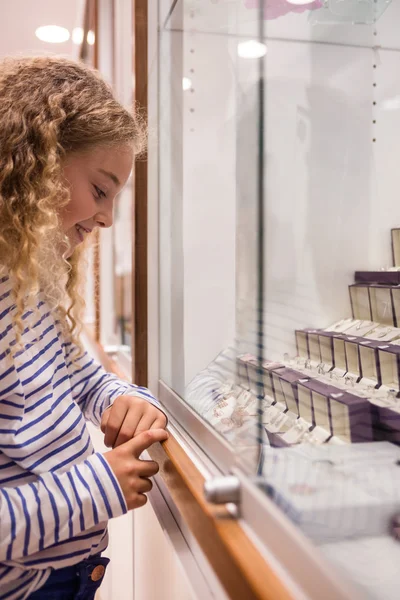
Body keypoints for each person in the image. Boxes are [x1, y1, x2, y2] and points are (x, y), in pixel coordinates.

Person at [0, 55, 168, 600]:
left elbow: (76, 375)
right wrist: (96, 488)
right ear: (33, 163)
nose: (108, 219)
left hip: (68, 574)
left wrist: (121, 397)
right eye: (101, 190)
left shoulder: (26, 273)